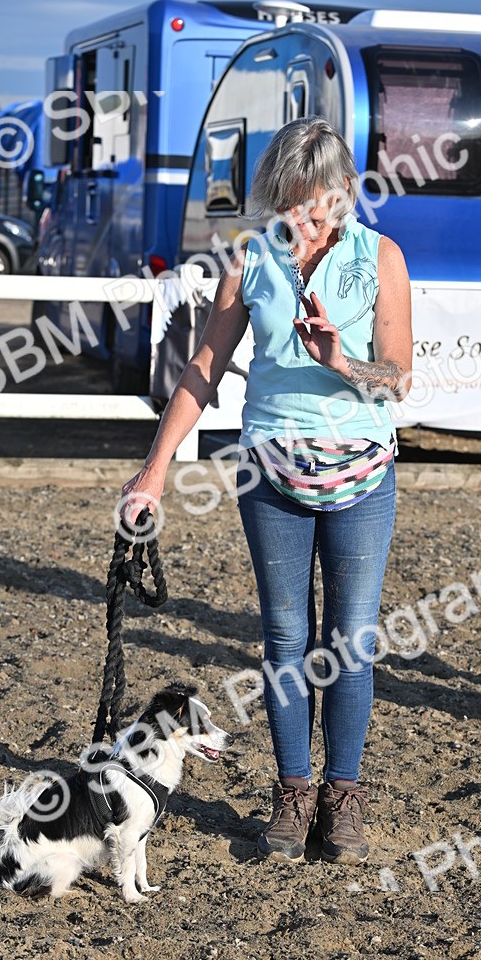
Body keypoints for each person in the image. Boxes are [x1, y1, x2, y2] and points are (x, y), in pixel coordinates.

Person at [121, 117, 412, 865]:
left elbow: (399, 377)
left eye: (320, 203)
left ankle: (342, 800)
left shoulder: (380, 256)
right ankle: (291, 795)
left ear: (346, 192)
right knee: (286, 642)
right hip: (271, 473)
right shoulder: (248, 257)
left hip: (362, 475)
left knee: (349, 644)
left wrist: (342, 362)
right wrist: (155, 470)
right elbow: (202, 371)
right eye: (291, 204)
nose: (306, 220)